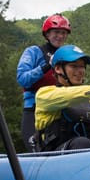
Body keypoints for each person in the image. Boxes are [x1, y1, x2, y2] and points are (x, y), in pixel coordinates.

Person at [16, 14, 71, 151]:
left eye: (63, 33)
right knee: (38, 154)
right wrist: (47, 66)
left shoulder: (67, 56)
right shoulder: (34, 52)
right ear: (47, 34)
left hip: (59, 112)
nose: (60, 36)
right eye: (56, 32)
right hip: (34, 110)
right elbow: (22, 78)